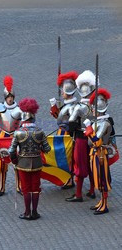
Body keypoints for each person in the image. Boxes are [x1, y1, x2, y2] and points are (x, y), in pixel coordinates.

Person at [8, 98, 51, 220]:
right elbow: (47, 149)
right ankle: (35, 212)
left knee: (26, 188)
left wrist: (15, 160)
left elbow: (11, 150)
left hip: (23, 163)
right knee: (35, 187)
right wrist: (41, 147)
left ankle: (27, 212)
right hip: (37, 162)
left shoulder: (18, 133)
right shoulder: (40, 132)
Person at [65, 70, 96, 202]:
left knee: (80, 165)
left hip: (81, 139)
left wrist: (73, 131)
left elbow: (71, 123)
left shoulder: (78, 107)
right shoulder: (96, 106)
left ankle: (78, 194)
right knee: (91, 165)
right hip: (94, 139)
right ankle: (92, 190)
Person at [84, 88, 113, 214]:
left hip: (100, 152)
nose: (93, 110)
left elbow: (97, 140)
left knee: (102, 179)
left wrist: (88, 128)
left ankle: (104, 205)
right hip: (94, 153)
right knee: (97, 178)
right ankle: (101, 201)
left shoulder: (105, 123)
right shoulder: (97, 120)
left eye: (94, 108)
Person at [50, 71, 78, 189]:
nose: (61, 92)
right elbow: (60, 117)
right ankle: (66, 178)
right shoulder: (67, 105)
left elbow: (69, 121)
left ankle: (69, 179)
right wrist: (54, 107)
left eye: (63, 91)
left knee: (68, 157)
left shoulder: (72, 107)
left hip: (67, 134)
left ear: (68, 92)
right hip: (62, 133)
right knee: (63, 156)